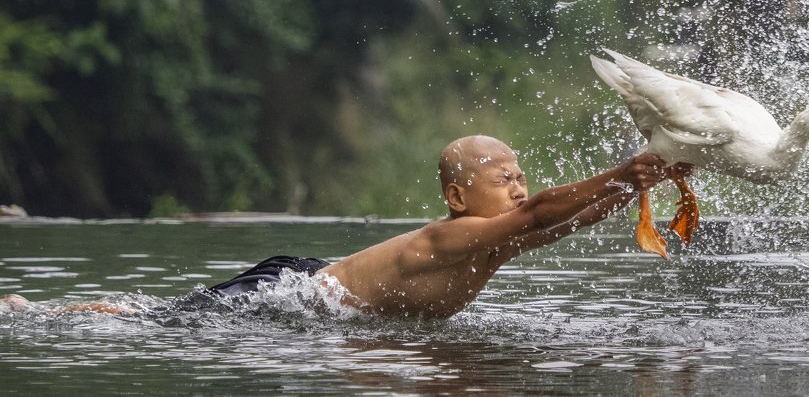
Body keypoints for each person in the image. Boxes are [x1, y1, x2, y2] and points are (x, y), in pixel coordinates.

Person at [1, 135, 672, 318]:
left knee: (168, 317)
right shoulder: (448, 236)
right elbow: (544, 210)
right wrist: (623, 169)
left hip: (316, 288)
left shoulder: (495, 242)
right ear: (458, 197)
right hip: (292, 291)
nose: (519, 188)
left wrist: (647, 180)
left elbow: (566, 220)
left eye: (521, 176)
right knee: (160, 320)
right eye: (505, 179)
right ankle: (38, 310)